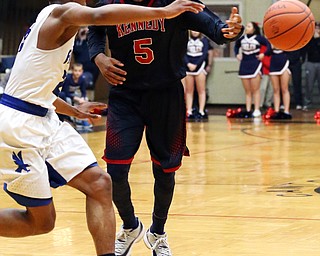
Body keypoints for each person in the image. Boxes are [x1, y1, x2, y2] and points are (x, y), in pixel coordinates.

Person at [0, 1, 205, 256]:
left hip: (44, 116)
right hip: (19, 126)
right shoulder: (63, 12)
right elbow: (100, 15)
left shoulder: (54, 18)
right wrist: (163, 12)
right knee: (42, 222)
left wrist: (74, 111)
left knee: (99, 183)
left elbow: (34, 90)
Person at [88, 2, 243, 255]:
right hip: (125, 94)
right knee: (115, 170)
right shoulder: (110, 3)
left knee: (165, 170)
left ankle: (157, 232)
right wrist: (99, 57)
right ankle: (130, 226)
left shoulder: (177, 3)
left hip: (166, 94)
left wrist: (233, 30)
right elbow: (94, 27)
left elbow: (216, 28)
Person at [234, 21, 270, 118]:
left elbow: (269, 46)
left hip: (255, 64)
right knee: (247, 91)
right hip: (244, 65)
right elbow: (236, 46)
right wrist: (237, 54)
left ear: (254, 29)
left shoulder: (259, 38)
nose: (246, 28)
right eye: (246, 26)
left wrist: (264, 54)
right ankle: (248, 110)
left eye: (249, 26)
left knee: (256, 90)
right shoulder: (242, 39)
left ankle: (257, 109)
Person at [184, 30, 210, 121]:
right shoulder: (186, 39)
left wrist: (196, 64)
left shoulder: (204, 40)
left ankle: (201, 111)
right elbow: (182, 53)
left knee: (201, 90)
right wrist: (188, 64)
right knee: (189, 90)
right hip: (188, 66)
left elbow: (205, 54)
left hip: (199, 66)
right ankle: (189, 110)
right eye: (193, 30)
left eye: (197, 30)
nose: (195, 32)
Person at [58, 62, 93, 129]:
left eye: (79, 71)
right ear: (72, 71)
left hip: (75, 94)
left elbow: (83, 91)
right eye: (75, 70)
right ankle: (74, 120)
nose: (77, 73)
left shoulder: (82, 79)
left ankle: (84, 119)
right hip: (66, 95)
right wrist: (76, 98)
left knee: (86, 100)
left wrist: (83, 98)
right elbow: (66, 92)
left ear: (82, 71)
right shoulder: (68, 78)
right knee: (68, 100)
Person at [265, 48, 292, 119]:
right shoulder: (270, 40)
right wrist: (271, 47)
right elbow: (267, 52)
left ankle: (286, 111)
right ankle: (276, 111)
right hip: (274, 62)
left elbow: (291, 49)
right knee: (275, 89)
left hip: (284, 61)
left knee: (284, 89)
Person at [302, 22, 320, 111]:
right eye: (315, 28)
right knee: (309, 85)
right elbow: (307, 49)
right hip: (310, 63)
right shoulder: (309, 39)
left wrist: (318, 39)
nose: (317, 30)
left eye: (318, 28)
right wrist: (313, 39)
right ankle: (307, 104)